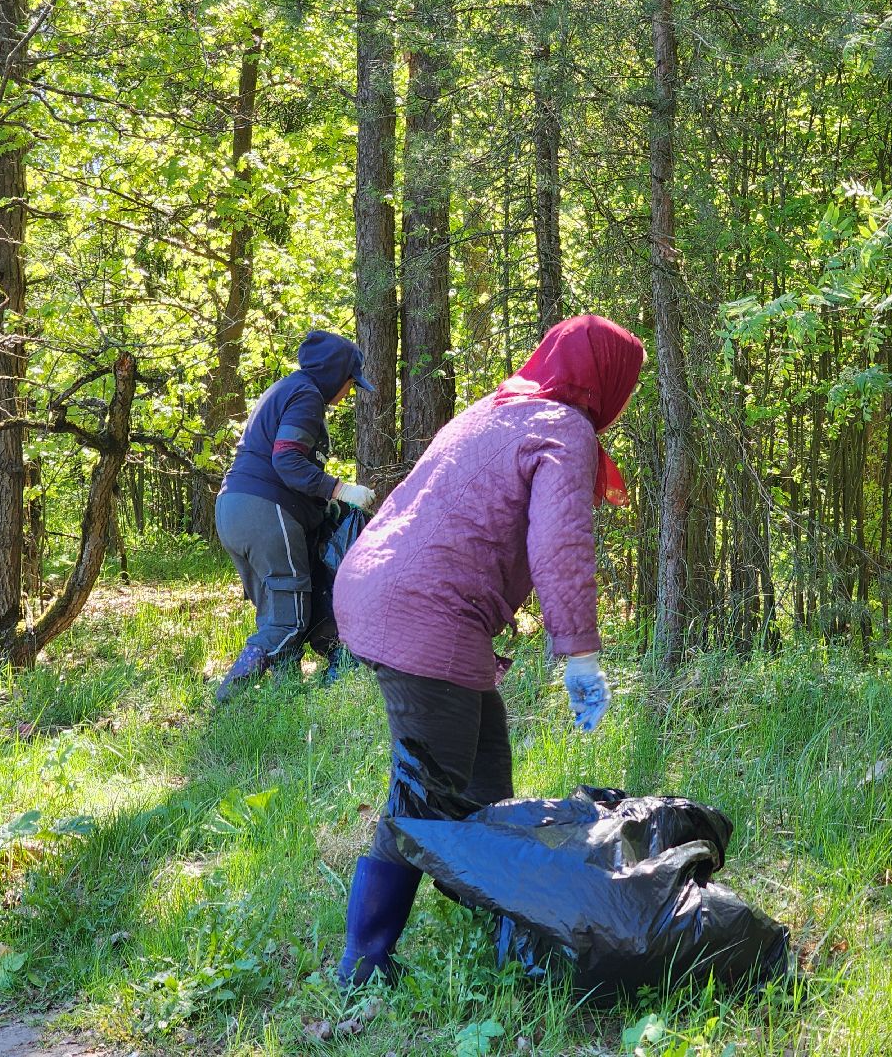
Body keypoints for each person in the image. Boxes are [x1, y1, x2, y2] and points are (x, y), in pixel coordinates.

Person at [330, 313, 646, 987]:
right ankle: (362, 966)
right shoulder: (563, 428)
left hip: (385, 588)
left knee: (482, 772)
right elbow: (560, 544)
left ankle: (504, 933)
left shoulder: (499, 408)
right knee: (425, 793)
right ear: (607, 381)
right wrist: (580, 654)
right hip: (423, 610)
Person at [212, 329, 379, 704]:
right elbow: (286, 459)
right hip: (266, 512)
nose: (349, 393)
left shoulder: (286, 389)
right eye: (351, 383)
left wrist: (324, 506)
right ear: (336, 375)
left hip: (233, 509)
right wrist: (340, 490)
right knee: (288, 621)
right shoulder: (306, 395)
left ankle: (284, 699)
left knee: (276, 613)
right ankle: (227, 700)